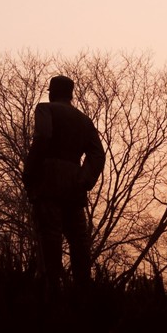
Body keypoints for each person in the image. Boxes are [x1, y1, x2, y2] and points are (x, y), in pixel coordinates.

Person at [23, 75, 105, 299]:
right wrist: (84, 179)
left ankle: (52, 290)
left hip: (48, 180)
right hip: (74, 187)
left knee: (50, 237)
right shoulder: (84, 120)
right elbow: (98, 155)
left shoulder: (45, 109)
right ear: (70, 94)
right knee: (79, 241)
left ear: (51, 92)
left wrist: (29, 171)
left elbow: (43, 136)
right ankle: (83, 291)